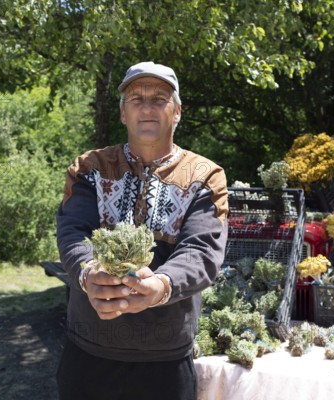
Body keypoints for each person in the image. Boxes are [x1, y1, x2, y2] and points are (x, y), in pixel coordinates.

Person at [55, 61, 229, 400]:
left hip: (165, 362)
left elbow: (202, 252)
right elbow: (74, 232)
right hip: (88, 355)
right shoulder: (89, 167)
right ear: (123, 113)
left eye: (159, 98)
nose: (147, 107)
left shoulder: (205, 176)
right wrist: (90, 274)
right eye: (136, 98)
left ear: (177, 111)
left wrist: (160, 286)